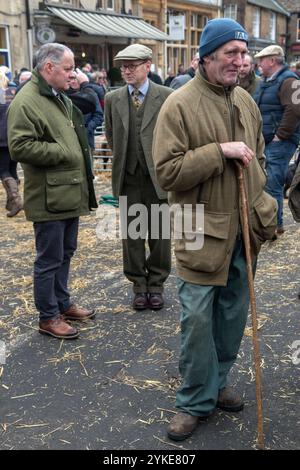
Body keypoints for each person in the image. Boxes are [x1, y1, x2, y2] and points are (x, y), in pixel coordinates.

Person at [153, 18, 277, 441]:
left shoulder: (246, 100)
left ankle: (216, 383)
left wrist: (265, 208)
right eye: (232, 53)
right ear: (206, 57)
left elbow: (257, 159)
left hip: (243, 228)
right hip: (197, 229)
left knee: (230, 317)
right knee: (196, 323)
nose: (241, 62)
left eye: (244, 55)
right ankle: (192, 401)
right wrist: (217, 151)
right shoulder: (179, 103)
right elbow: (167, 172)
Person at [7, 43, 98, 340]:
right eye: (68, 69)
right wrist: (62, 151)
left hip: (67, 191)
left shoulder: (56, 96)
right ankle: (48, 316)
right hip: (50, 195)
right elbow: (19, 146)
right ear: (49, 68)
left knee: (66, 252)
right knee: (49, 259)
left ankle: (62, 303)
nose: (73, 75)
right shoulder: (27, 100)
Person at [105, 44, 172, 311]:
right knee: (132, 237)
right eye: (123, 66)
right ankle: (138, 285)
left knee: (159, 235)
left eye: (132, 65)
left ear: (147, 65)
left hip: (158, 178)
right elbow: (112, 137)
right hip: (129, 178)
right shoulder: (113, 99)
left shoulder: (167, 96)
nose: (126, 71)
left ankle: (156, 285)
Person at [253, 45, 300, 237]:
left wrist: (280, 136)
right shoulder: (268, 81)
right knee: (270, 182)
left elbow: (295, 110)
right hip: (270, 140)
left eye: (262, 60)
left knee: (273, 183)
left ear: (272, 61)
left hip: (279, 142)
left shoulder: (289, 80)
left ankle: (274, 225)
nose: (259, 64)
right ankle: (272, 224)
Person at [0, 69, 22, 216]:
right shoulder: (14, 91)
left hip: (1, 138)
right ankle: (12, 202)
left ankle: (16, 200)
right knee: (12, 168)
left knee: (2, 170)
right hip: (14, 135)